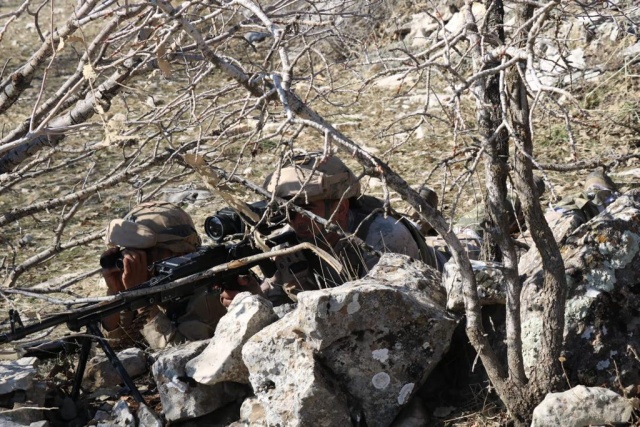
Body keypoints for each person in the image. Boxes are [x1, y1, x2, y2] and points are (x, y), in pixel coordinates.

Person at [220, 152, 446, 307]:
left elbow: (390, 310)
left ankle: (423, 222)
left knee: (468, 241)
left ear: (341, 206)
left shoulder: (382, 238)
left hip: (440, 281)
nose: (296, 219)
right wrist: (254, 299)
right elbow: (281, 296)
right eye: (287, 209)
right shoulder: (290, 240)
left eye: (306, 208)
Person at [100, 201, 226, 349]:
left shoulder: (208, 291)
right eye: (128, 252)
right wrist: (115, 294)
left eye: (145, 254)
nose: (133, 262)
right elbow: (113, 347)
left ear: (180, 253)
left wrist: (143, 300)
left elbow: (181, 357)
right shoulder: (153, 284)